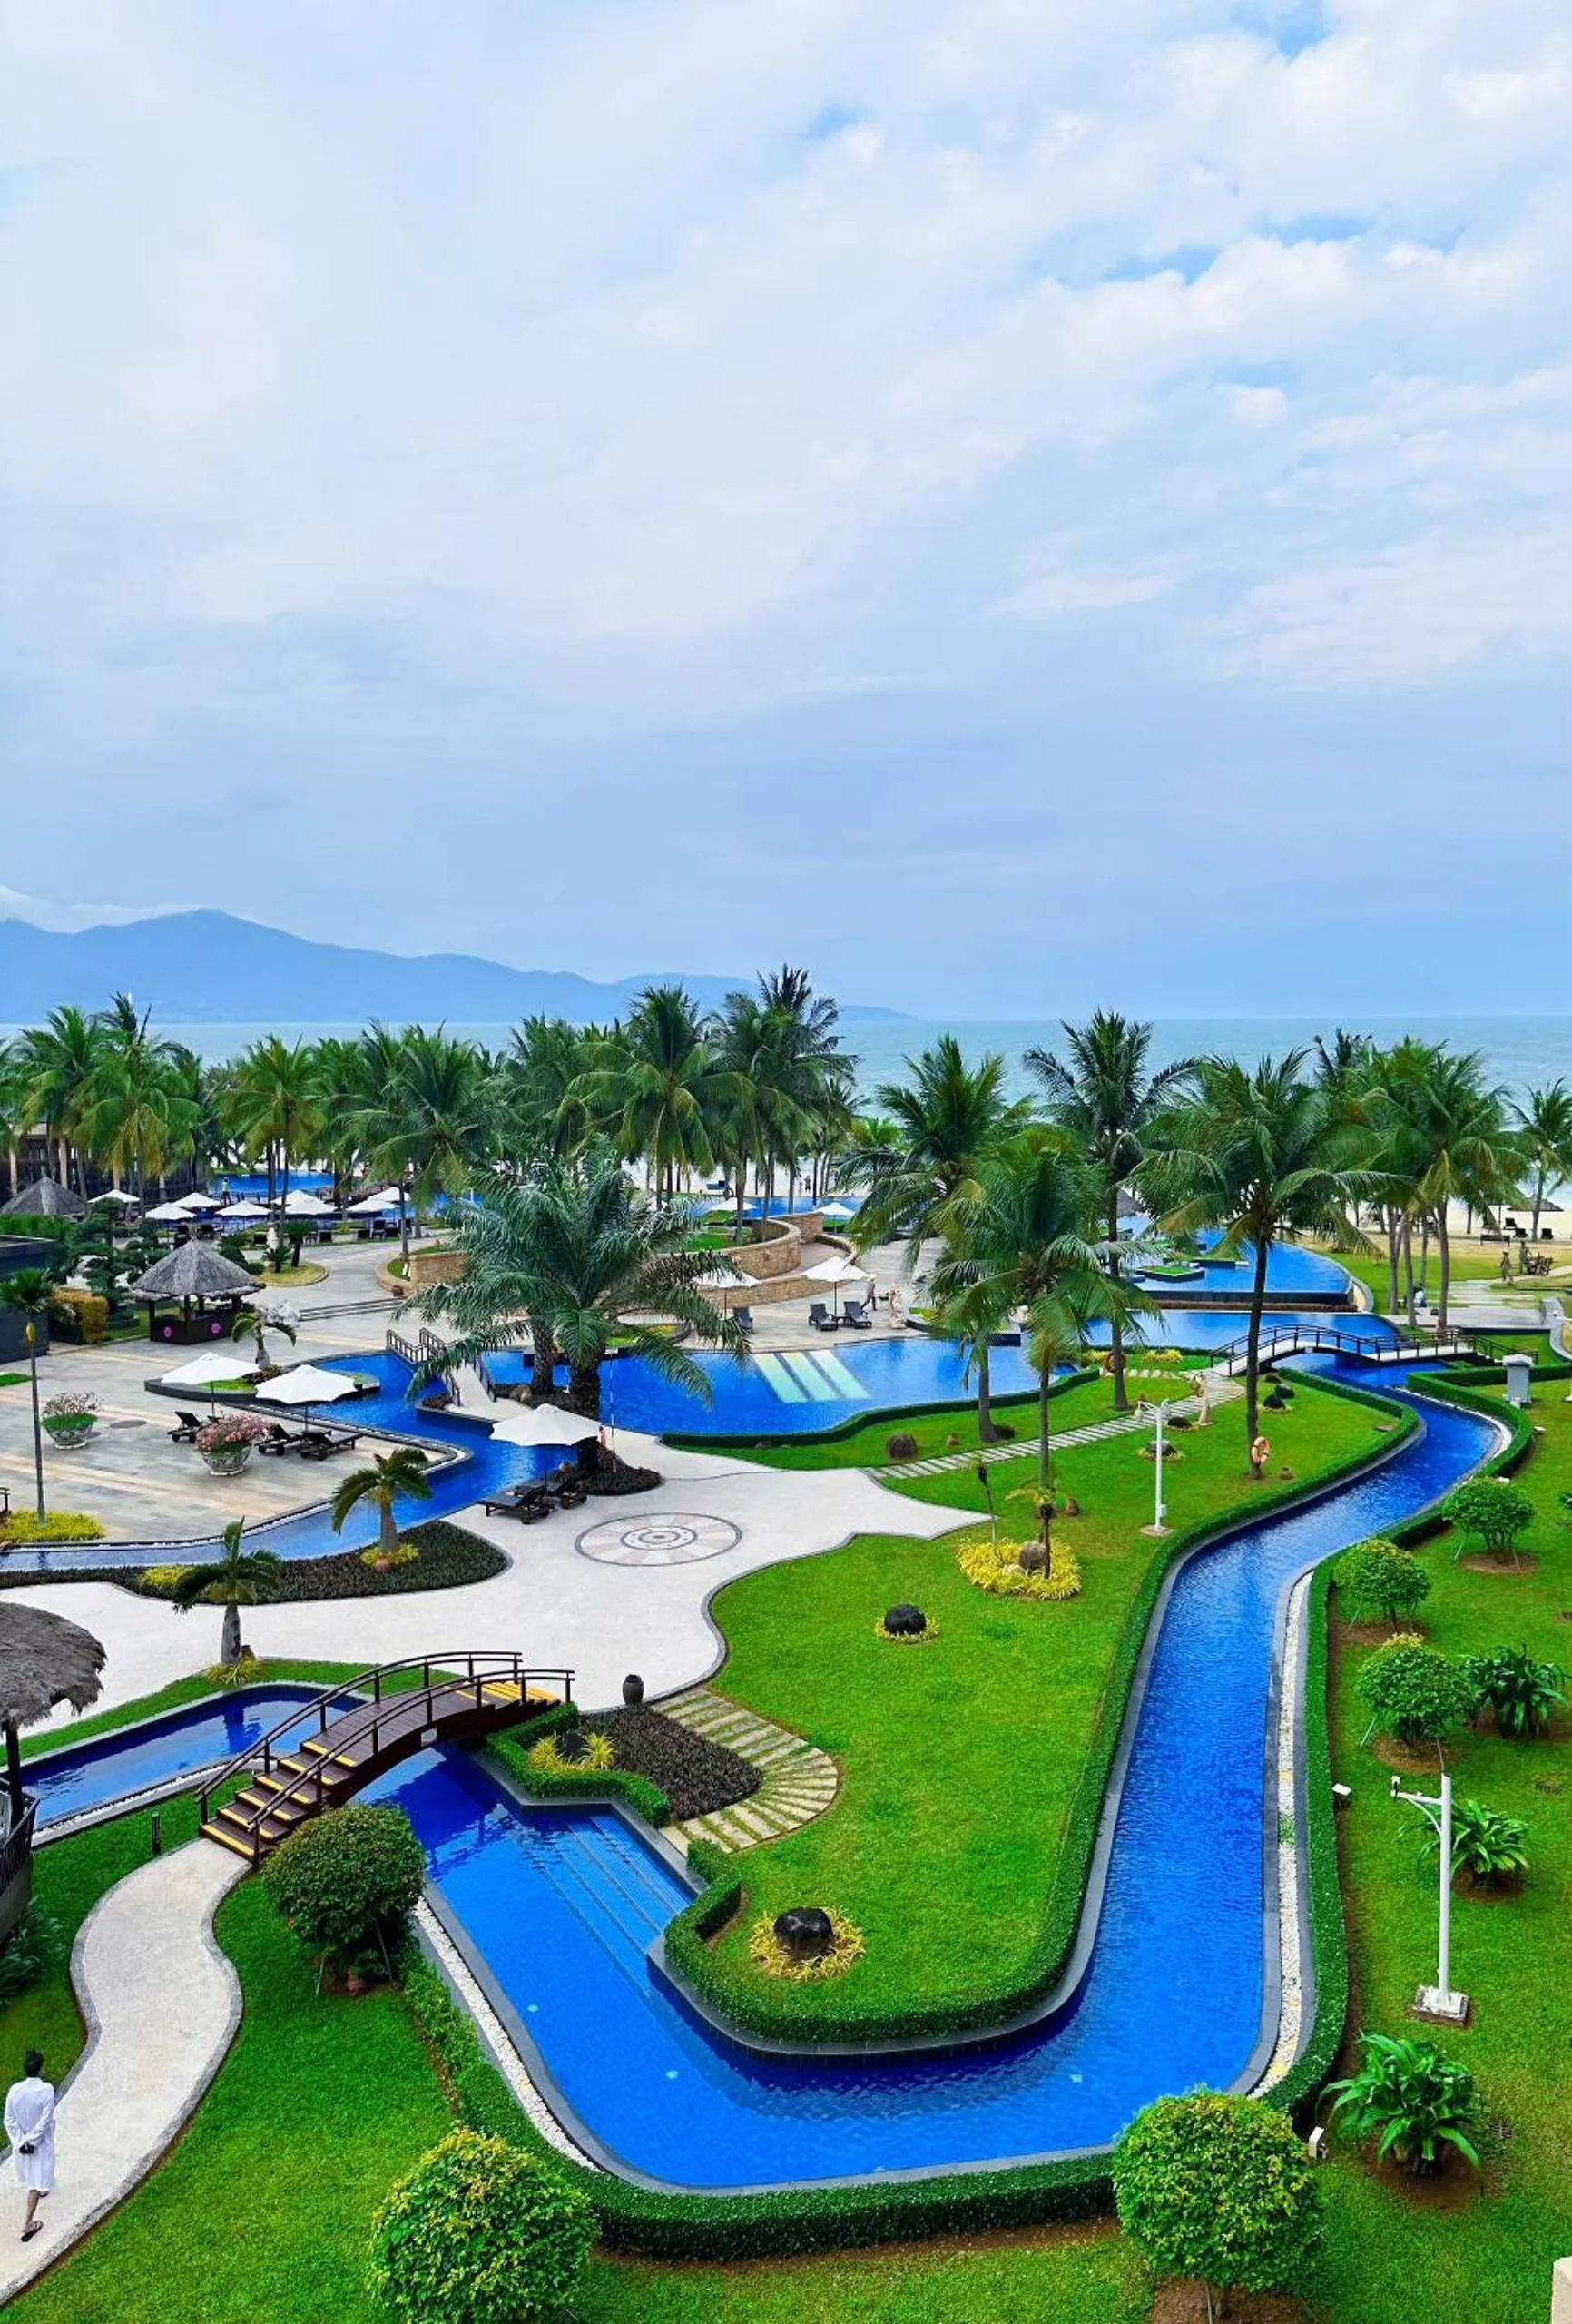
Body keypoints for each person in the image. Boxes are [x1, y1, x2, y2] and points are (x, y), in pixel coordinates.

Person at [5, 2050, 55, 2242]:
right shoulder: (47, 2090)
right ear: (41, 2068)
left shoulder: (14, 2090)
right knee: (35, 2182)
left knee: (38, 2175)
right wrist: (31, 2141)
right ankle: (28, 2223)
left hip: (24, 2144)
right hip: (39, 2144)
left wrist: (20, 2141)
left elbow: (9, 2121)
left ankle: (43, 2187)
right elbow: (45, 2121)